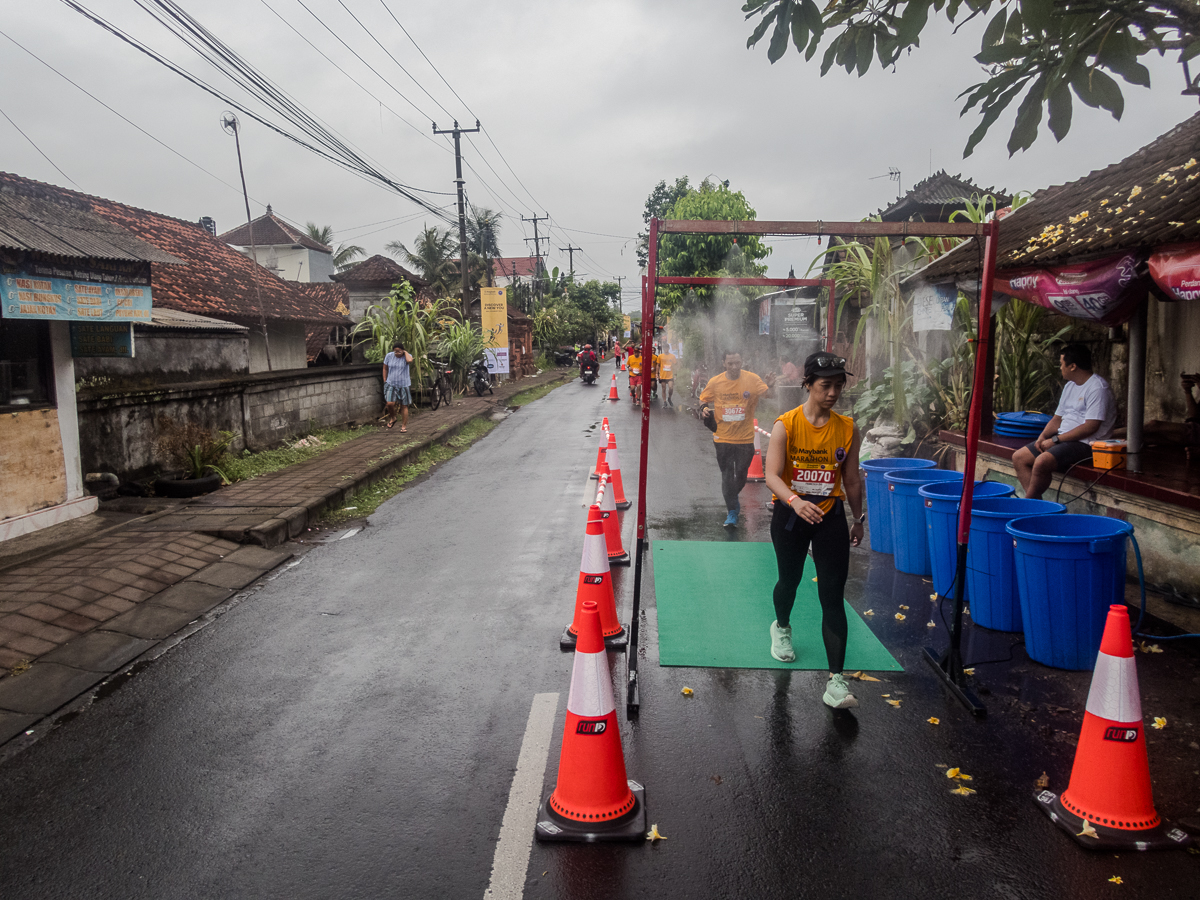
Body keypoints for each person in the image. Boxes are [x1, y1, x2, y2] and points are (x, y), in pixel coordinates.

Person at [763, 353, 865, 709]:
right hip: (791, 516)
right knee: (788, 581)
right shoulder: (785, 425)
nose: (833, 392)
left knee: (833, 595)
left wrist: (858, 517)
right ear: (807, 384)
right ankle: (782, 626)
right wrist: (794, 500)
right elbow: (771, 475)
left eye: (839, 385)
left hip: (829, 517)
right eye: (826, 385)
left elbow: (851, 479)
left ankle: (837, 681)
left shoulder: (848, 428)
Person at [1013, 343, 1117, 499]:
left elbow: (1091, 427)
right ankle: (1036, 504)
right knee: (1019, 457)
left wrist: (1055, 440)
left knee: (1041, 462)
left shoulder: (1098, 388)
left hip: (1086, 444)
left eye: (1061, 364)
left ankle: (1029, 504)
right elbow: (1057, 418)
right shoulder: (1070, 386)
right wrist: (1042, 437)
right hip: (1063, 439)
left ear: (1073, 366)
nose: (1060, 368)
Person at [699, 350, 774, 527]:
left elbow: (768, 395)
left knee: (741, 475)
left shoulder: (752, 379)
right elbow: (703, 399)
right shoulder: (716, 382)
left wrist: (771, 386)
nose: (734, 366)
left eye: (737, 362)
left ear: (742, 362)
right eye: (730, 363)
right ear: (723, 363)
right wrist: (704, 408)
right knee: (726, 474)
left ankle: (732, 498)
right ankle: (732, 511)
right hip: (722, 437)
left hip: (745, 438)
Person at [381, 341, 413, 432]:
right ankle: (393, 417)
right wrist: (385, 380)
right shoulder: (389, 356)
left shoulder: (406, 356)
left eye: (399, 351)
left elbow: (410, 360)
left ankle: (403, 426)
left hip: (404, 384)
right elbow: (385, 368)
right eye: (395, 351)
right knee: (390, 403)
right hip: (391, 383)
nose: (397, 353)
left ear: (402, 351)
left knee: (404, 405)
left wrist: (405, 352)